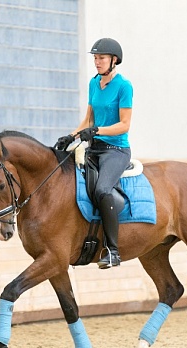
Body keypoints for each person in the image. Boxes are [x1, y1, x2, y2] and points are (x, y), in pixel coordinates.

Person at [55, 37, 133, 269]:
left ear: (114, 60)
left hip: (116, 150)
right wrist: (72, 135)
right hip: (94, 148)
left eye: (101, 58)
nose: (97, 62)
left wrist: (97, 130)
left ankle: (113, 250)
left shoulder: (124, 86)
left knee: (102, 189)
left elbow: (124, 124)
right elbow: (88, 118)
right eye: (95, 58)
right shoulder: (93, 83)